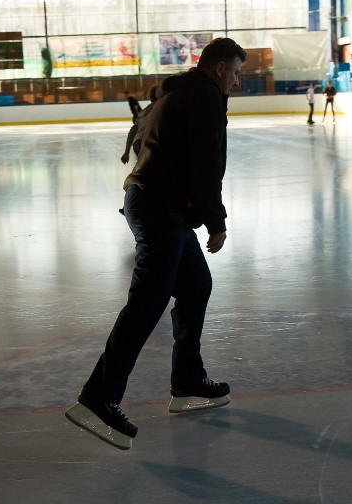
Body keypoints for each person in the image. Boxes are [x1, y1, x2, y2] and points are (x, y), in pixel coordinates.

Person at [66, 37, 247, 450]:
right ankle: (99, 397)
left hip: (161, 205)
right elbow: (207, 166)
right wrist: (216, 221)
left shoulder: (180, 90)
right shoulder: (203, 97)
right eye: (236, 73)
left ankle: (187, 381)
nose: (237, 83)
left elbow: (144, 124)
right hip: (161, 207)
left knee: (196, 285)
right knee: (148, 299)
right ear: (219, 68)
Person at [120, 84, 159, 164]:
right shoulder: (162, 108)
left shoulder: (143, 113)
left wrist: (126, 153)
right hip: (150, 143)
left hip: (137, 143)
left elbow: (132, 131)